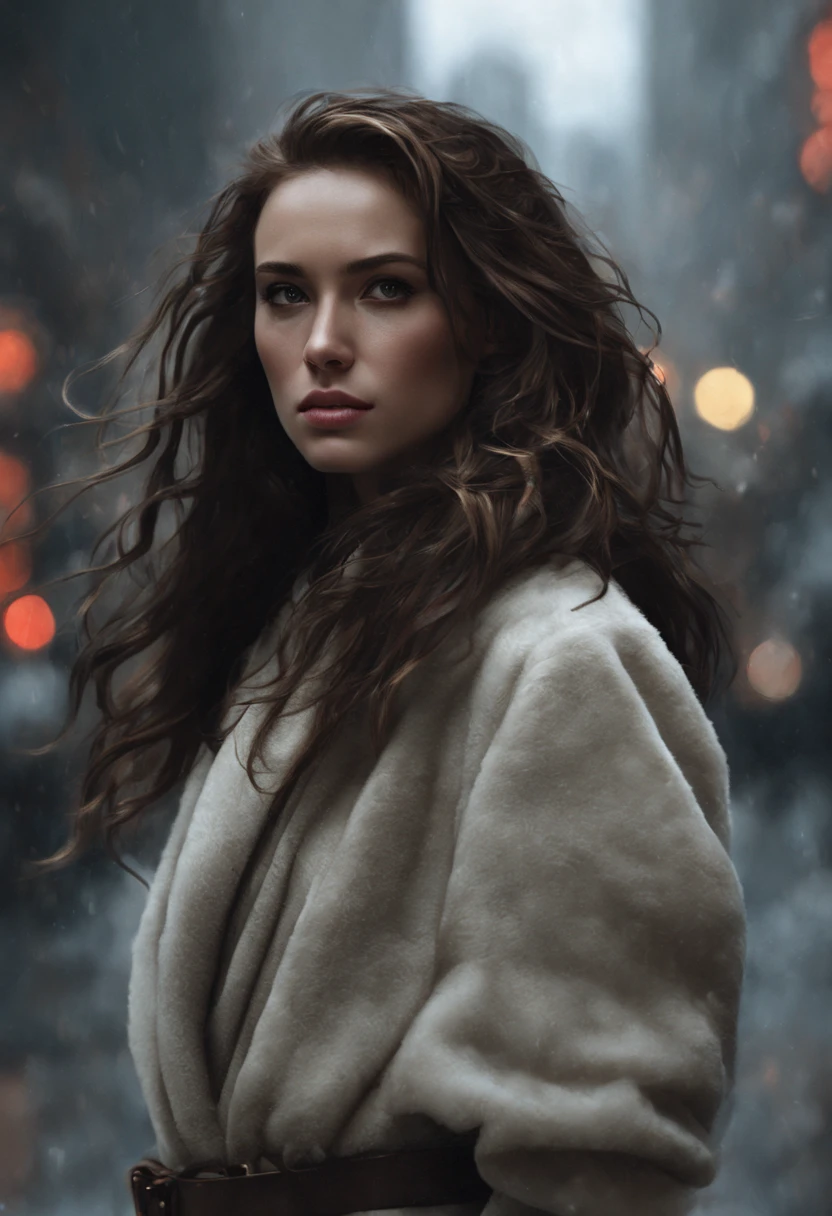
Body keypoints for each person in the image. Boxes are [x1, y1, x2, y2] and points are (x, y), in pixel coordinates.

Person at [29, 90, 746, 1216]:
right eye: (283, 296)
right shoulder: (305, 637)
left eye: (384, 288)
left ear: (489, 322)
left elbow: (598, 1165)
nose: (320, 342)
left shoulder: (559, 661)